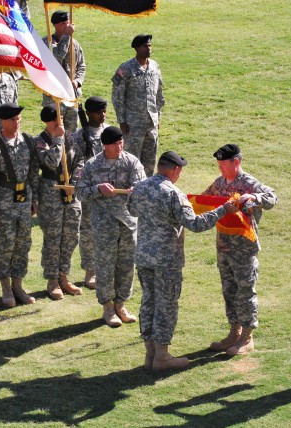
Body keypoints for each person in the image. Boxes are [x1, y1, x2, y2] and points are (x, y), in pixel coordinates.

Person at [129, 151, 238, 370]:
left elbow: (131, 209)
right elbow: (195, 224)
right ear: (176, 170)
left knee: (148, 302)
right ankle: (161, 357)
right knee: (166, 305)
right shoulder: (173, 193)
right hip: (166, 259)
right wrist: (222, 210)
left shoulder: (140, 187)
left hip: (143, 256)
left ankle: (150, 355)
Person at [203, 144, 277, 356]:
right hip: (224, 246)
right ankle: (234, 332)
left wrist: (255, 198)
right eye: (219, 165)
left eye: (224, 164)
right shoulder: (218, 183)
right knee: (229, 290)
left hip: (244, 248)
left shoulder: (248, 183)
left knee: (245, 291)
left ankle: (247, 337)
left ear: (237, 162)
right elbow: (204, 199)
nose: (221, 169)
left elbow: (272, 197)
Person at [78, 126, 145, 327]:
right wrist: (98, 189)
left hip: (127, 222)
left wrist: (135, 190)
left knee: (126, 265)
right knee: (105, 266)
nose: (119, 146)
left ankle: (121, 304)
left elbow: (142, 186)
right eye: (115, 143)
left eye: (121, 142)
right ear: (105, 145)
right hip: (104, 223)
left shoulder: (131, 162)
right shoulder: (91, 165)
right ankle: (107, 307)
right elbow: (80, 193)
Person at [0, 103, 39, 307]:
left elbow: (33, 172)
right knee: (5, 244)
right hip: (4, 200)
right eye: (12, 120)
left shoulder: (27, 141)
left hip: (24, 198)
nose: (16, 123)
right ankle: (6, 287)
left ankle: (18, 285)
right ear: (2, 121)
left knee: (23, 243)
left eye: (18, 119)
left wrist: (35, 200)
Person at [34, 105, 83, 300]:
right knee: (53, 238)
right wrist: (58, 139)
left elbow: (80, 161)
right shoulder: (40, 141)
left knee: (71, 235)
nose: (59, 123)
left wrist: (76, 181)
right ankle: (52, 280)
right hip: (51, 193)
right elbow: (51, 162)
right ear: (47, 122)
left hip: (71, 191)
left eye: (61, 118)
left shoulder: (70, 137)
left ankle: (64, 276)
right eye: (55, 120)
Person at [111, 34, 164, 178]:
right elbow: (117, 96)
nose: (149, 49)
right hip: (132, 124)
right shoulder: (125, 68)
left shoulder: (154, 66)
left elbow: (159, 94)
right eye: (145, 46)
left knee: (150, 161)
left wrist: (158, 117)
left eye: (150, 46)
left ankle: (145, 190)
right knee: (131, 161)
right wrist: (121, 120)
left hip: (151, 123)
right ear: (136, 48)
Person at [78, 95, 110, 289]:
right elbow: (76, 164)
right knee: (88, 231)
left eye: (105, 111)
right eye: (99, 112)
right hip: (90, 190)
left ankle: (105, 269)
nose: (103, 115)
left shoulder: (109, 132)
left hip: (110, 189)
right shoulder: (79, 135)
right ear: (89, 114)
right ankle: (90, 270)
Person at [43, 11, 86, 132]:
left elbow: (81, 66)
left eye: (68, 23)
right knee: (55, 129)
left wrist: (77, 81)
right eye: (63, 23)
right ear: (55, 25)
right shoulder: (47, 43)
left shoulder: (75, 44)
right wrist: (67, 36)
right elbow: (57, 57)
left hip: (72, 94)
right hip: (54, 96)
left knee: (72, 131)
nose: (67, 26)